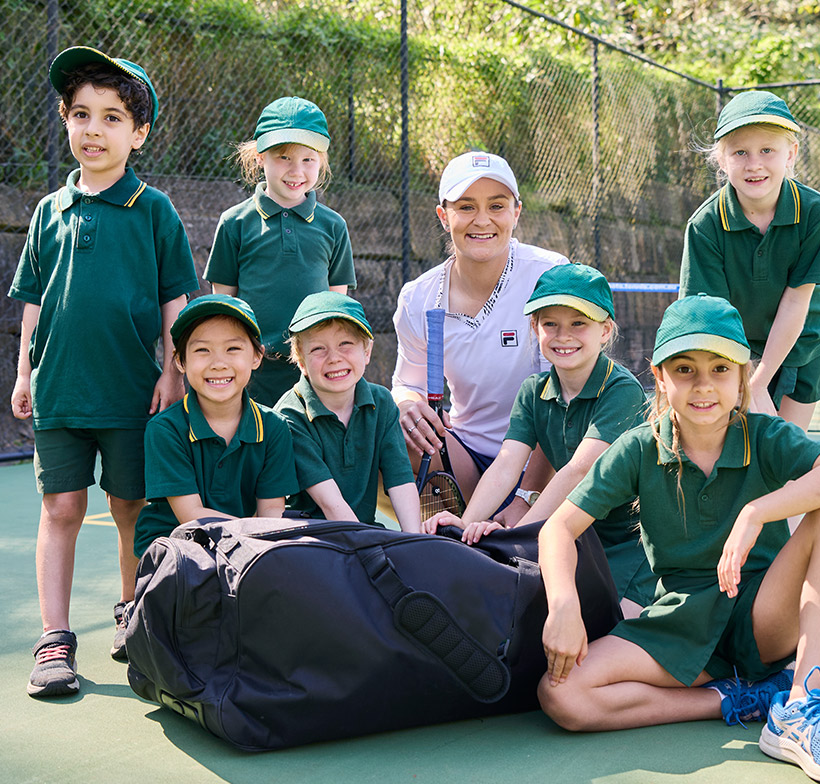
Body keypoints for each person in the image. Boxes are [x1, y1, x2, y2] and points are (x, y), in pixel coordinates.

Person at [537, 294, 820, 784]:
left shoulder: (765, 436)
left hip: (763, 615)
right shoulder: (639, 447)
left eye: (720, 369)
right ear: (659, 377)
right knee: (562, 695)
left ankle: (803, 705)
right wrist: (563, 605)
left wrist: (757, 511)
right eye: (684, 369)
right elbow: (558, 527)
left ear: (743, 377)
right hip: (680, 621)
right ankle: (739, 699)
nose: (704, 386)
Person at [9, 46, 199, 697]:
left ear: (138, 133)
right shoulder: (47, 211)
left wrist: (173, 374)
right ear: (65, 121)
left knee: (129, 507)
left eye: (112, 117)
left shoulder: (155, 210)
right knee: (61, 506)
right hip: (59, 388)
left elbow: (178, 301)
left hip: (129, 393)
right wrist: (23, 372)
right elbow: (34, 300)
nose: (94, 129)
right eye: (81, 114)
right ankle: (54, 637)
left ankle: (130, 611)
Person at [422, 263, 654, 612]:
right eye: (550, 324)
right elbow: (506, 464)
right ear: (535, 327)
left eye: (579, 323)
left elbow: (578, 472)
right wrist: (467, 524)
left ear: (605, 330)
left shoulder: (622, 390)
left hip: (629, 541)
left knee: (608, 637)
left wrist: (516, 536)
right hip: (570, 536)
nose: (564, 335)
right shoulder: (534, 390)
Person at [392, 151, 567, 521]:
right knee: (394, 430)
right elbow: (407, 384)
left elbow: (563, 400)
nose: (482, 220)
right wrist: (408, 406)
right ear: (444, 216)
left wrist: (525, 499)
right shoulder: (418, 297)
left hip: (543, 458)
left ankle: (504, 524)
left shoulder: (550, 276)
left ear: (516, 213)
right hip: (466, 455)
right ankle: (446, 541)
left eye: (497, 205)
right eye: (466, 207)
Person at [680, 90, 820, 432]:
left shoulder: (817, 212)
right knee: (740, 452)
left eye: (767, 150)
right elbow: (710, 314)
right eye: (740, 152)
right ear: (722, 160)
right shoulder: (705, 225)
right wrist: (742, 377)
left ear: (791, 154)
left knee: (784, 452)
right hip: (734, 351)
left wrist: (758, 384)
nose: (754, 164)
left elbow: (796, 301)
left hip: (804, 344)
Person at [205, 96, 356, 406]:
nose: (296, 170)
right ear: (261, 157)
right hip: (253, 373)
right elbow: (224, 306)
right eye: (284, 157)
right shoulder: (235, 223)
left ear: (321, 162)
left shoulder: (334, 226)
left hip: (315, 373)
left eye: (308, 159)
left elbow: (337, 306)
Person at [132, 295, 298, 560]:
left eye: (233, 349)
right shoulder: (165, 429)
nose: (218, 363)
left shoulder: (274, 427)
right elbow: (192, 516)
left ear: (257, 357)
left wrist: (262, 546)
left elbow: (271, 513)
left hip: (242, 548)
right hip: (177, 554)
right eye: (202, 350)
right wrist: (256, 539)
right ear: (180, 362)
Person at [277, 292, 421, 532]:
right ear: (301, 361)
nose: (334, 358)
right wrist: (371, 554)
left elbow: (401, 480)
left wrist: (416, 541)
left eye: (346, 344)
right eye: (318, 349)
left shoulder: (382, 401)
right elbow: (331, 505)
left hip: (364, 533)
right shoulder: (289, 416)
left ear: (366, 351)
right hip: (312, 541)